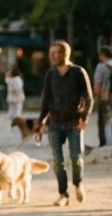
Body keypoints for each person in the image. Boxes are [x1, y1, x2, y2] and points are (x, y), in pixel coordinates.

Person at [34, 40, 94, 207]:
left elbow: (88, 97)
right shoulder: (51, 74)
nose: (53, 56)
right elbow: (45, 99)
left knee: (76, 157)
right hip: (55, 124)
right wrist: (40, 121)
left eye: (56, 53)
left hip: (74, 122)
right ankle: (63, 193)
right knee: (57, 160)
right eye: (51, 53)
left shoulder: (78, 72)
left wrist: (85, 115)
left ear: (65, 54)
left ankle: (77, 183)